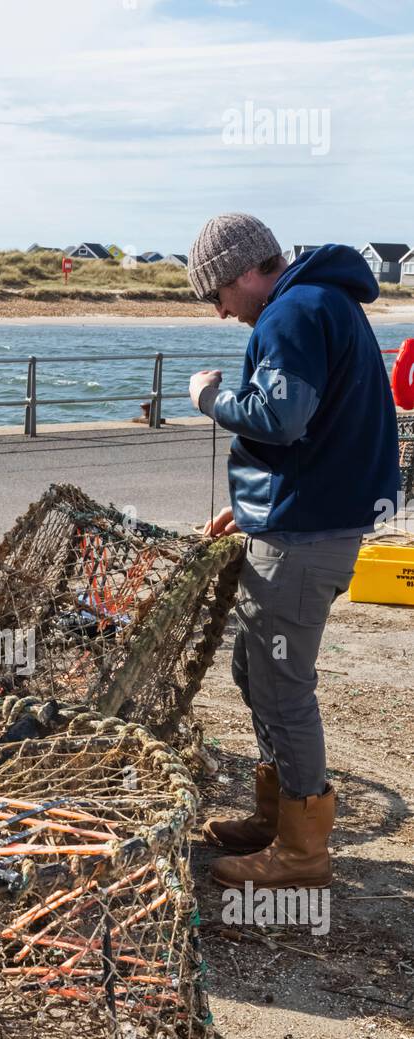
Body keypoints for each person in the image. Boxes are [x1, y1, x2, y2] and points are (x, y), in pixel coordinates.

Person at [186, 212, 400, 890]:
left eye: (216, 296)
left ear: (242, 274)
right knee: (257, 669)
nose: (221, 313)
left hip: (305, 540)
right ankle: (277, 817)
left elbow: (281, 419)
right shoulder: (321, 303)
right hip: (306, 522)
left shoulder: (293, 313)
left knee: (283, 685)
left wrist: (211, 397)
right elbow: (319, 430)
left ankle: (302, 854)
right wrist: (252, 505)